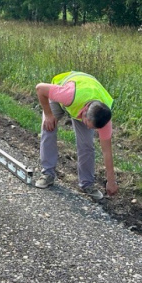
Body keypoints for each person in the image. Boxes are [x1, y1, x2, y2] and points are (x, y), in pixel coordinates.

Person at [34, 71, 118, 199]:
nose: (90, 128)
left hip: (85, 96)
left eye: (94, 127)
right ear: (84, 113)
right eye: (89, 124)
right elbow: (40, 88)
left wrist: (111, 181)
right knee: (48, 128)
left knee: (87, 145)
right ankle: (47, 174)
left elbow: (107, 151)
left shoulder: (104, 117)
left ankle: (87, 184)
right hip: (64, 93)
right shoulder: (68, 95)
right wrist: (49, 114)